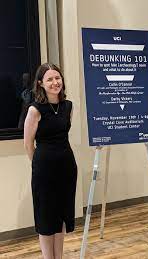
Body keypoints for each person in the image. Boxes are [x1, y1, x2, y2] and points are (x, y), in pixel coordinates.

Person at [24, 63, 77, 259]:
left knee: (61, 216)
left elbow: (64, 134)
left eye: (58, 78)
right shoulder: (35, 110)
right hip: (44, 171)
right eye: (50, 79)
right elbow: (28, 144)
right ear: (40, 83)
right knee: (46, 218)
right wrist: (38, 166)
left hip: (66, 168)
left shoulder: (68, 106)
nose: (55, 82)